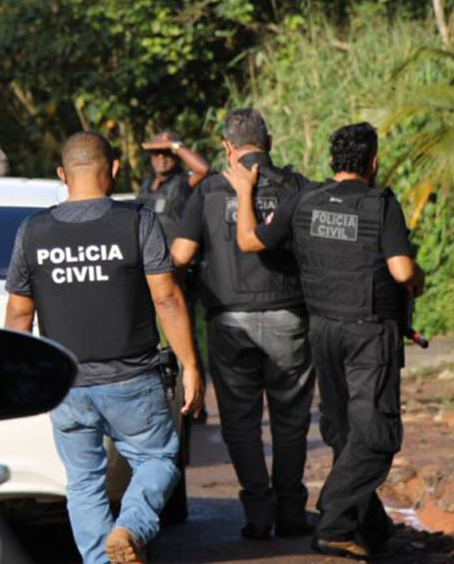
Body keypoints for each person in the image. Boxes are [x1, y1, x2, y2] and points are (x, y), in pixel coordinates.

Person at [225, 122, 424, 561]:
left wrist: (243, 191)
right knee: (376, 435)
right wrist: (419, 277)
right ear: (373, 162)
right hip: (368, 333)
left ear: (333, 161)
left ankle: (369, 525)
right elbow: (402, 271)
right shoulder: (381, 204)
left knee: (343, 430)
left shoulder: (305, 200)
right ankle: (334, 520)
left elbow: (247, 240)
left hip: (323, 330)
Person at [5, 131, 204, 564]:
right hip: (132, 378)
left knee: (83, 481)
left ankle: (99, 560)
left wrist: (21, 378)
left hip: (66, 385)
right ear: (113, 169)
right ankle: (130, 526)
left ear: (62, 175)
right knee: (157, 459)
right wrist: (190, 365)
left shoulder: (33, 231)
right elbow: (167, 298)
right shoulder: (137, 221)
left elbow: (19, 315)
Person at [170, 107, 315, 541]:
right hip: (289, 315)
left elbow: (180, 256)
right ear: (268, 143)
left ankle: (257, 513)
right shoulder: (297, 187)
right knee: (290, 419)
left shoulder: (209, 191)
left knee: (240, 421)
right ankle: (291, 511)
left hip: (228, 320)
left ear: (227, 147)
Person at [136, 130, 210, 243]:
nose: (161, 157)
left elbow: (203, 170)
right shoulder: (146, 184)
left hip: (173, 250)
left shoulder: (183, 181)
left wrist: (174, 145)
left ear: (177, 156)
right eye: (156, 152)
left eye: (167, 152)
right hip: (149, 249)